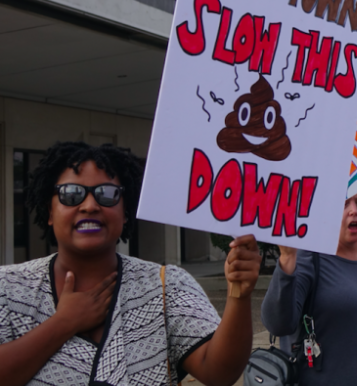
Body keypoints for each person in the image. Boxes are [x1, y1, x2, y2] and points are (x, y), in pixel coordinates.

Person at [0, 141, 261, 386]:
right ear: (49, 211)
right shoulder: (8, 288)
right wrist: (64, 323)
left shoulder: (166, 286)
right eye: (72, 194)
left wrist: (239, 295)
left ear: (125, 213)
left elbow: (218, 372)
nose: (90, 205)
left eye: (107, 194)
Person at [261, 188, 357, 385]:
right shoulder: (306, 257)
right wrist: (286, 260)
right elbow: (277, 323)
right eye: (343, 204)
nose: (353, 211)